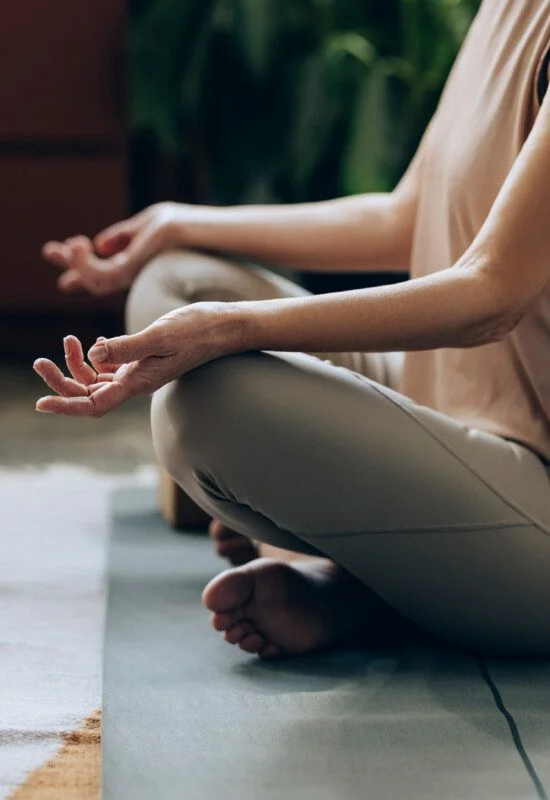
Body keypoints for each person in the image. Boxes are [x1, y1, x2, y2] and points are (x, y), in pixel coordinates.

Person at [35, 0, 550, 659]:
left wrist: (234, 328)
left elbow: (490, 295)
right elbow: (404, 217)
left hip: (532, 495)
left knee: (207, 405)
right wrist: (179, 222)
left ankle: (348, 580)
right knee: (176, 281)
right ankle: (378, 561)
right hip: (448, 408)